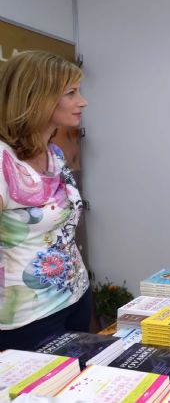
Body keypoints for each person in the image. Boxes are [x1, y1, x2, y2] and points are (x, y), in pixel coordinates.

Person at [0, 51, 90, 350]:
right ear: (37, 96)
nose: (83, 101)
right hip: (29, 317)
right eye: (71, 93)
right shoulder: (3, 162)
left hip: (76, 298)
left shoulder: (54, 154)